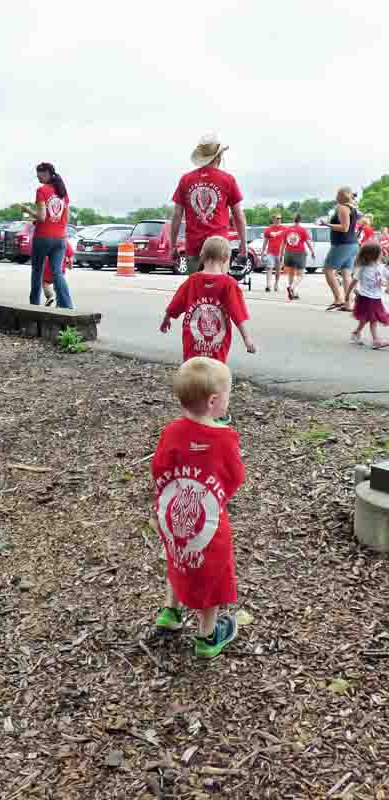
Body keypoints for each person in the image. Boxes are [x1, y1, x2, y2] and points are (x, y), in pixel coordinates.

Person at [152, 357, 245, 659]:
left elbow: (159, 468)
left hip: (171, 513)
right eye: (229, 395)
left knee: (179, 556)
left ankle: (170, 610)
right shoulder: (224, 438)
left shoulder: (172, 431)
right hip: (207, 522)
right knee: (212, 574)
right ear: (214, 401)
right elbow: (235, 476)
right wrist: (214, 498)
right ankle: (207, 638)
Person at [159, 236, 256, 363]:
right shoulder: (229, 283)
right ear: (226, 258)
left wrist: (167, 318)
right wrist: (247, 339)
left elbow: (176, 303)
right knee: (215, 371)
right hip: (218, 342)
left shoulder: (193, 280)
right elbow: (238, 314)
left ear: (201, 255)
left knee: (192, 369)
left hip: (192, 340)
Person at [169, 133, 248, 276]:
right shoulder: (228, 180)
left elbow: (176, 216)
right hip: (219, 245)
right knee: (219, 290)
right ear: (219, 156)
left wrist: (172, 246)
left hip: (194, 246)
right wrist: (243, 245)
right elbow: (238, 215)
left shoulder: (186, 180)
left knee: (197, 291)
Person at [22, 162, 73, 309]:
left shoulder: (42, 191)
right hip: (60, 239)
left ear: (46, 174)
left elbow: (42, 217)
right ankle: (67, 305)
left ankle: (34, 305)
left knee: (37, 271)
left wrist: (28, 211)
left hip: (43, 237)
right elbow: (66, 218)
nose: (38, 177)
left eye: (39, 174)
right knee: (58, 273)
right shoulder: (63, 193)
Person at [345, 241, 389, 349]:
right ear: (374, 255)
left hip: (376, 298)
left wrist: (387, 286)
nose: (382, 254)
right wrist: (347, 295)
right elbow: (353, 282)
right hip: (365, 298)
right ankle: (376, 340)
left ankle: (356, 333)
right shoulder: (362, 269)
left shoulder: (381, 267)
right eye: (380, 252)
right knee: (372, 319)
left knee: (365, 319)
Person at [321, 187, 360, 311]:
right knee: (346, 274)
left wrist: (327, 224)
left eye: (337, 194)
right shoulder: (353, 208)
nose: (336, 196)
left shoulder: (343, 207)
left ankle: (339, 299)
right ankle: (348, 305)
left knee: (328, 270)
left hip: (343, 244)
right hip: (352, 244)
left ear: (342, 196)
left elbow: (344, 227)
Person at [279, 214, 315, 301]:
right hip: (299, 253)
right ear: (300, 220)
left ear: (293, 219)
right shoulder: (302, 230)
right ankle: (291, 288)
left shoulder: (287, 230)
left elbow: (283, 243)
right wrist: (312, 251)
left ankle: (293, 293)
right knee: (301, 275)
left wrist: (281, 255)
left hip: (288, 253)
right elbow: (307, 242)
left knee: (291, 274)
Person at [43, 240, 74, 307]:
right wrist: (70, 266)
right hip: (59, 269)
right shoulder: (64, 241)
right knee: (58, 286)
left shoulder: (46, 240)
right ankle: (59, 303)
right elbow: (70, 256)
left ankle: (50, 296)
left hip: (46, 268)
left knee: (45, 283)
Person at [260, 213, 285, 293]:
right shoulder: (269, 229)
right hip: (270, 252)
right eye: (277, 218)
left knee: (278, 269)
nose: (278, 220)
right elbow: (265, 241)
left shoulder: (284, 229)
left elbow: (286, 242)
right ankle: (268, 285)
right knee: (269, 268)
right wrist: (262, 252)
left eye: (280, 218)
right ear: (273, 219)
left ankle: (276, 285)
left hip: (280, 252)